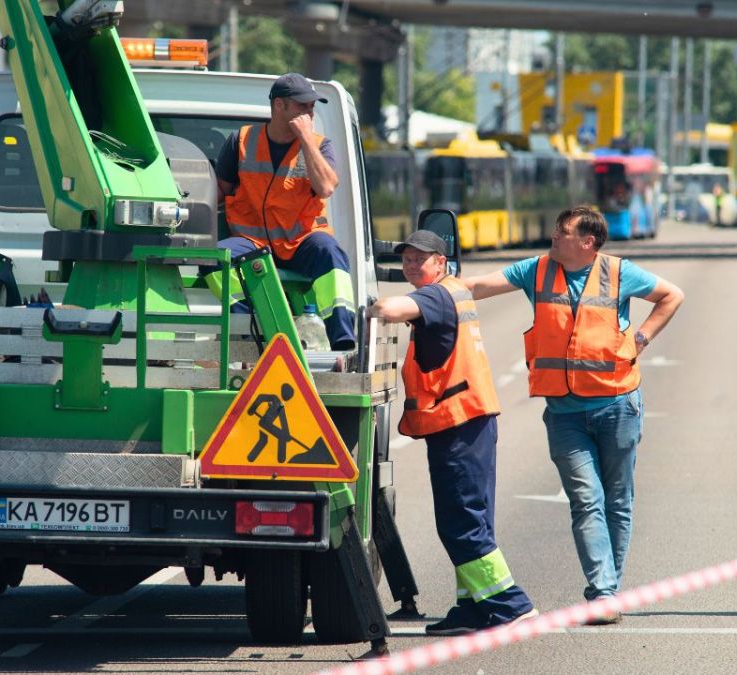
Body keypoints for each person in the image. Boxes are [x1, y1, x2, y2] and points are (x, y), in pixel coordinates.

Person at [463, 206, 684, 624]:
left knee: (618, 500)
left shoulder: (619, 272)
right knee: (587, 499)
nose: (553, 237)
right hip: (564, 412)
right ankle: (603, 591)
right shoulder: (538, 269)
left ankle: (606, 589)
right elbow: (477, 285)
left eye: (562, 233)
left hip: (618, 403)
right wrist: (431, 285)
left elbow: (672, 295)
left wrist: (640, 339)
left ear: (588, 242)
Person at [370, 229, 538, 636]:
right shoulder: (454, 289)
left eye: (420, 259)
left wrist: (365, 306)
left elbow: (392, 310)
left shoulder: (435, 295)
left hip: (458, 421)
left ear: (440, 263)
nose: (412, 265)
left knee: (461, 521)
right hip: (469, 419)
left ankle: (510, 604)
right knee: (471, 516)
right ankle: (474, 607)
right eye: (407, 259)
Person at [207, 72, 356, 351]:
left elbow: (325, 187)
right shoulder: (241, 140)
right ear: (279, 106)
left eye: (312, 106)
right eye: (302, 106)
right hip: (253, 242)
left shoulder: (319, 144)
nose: (309, 112)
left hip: (302, 240)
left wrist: (307, 139)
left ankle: (341, 337)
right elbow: (218, 192)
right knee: (215, 259)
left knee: (330, 252)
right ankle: (250, 325)